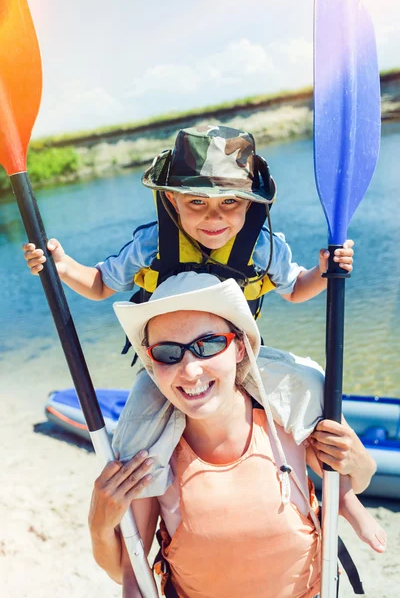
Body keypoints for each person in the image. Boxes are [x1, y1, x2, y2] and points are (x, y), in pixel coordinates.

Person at [21, 125, 356, 478]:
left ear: (252, 202)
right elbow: (101, 284)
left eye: (230, 201)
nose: (214, 217)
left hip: (239, 359)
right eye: (197, 202)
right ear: (171, 200)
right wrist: (62, 265)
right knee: (136, 422)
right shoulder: (153, 243)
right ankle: (137, 509)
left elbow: (296, 290)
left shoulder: (263, 246)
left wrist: (324, 272)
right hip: (170, 366)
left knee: (311, 380)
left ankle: (344, 496)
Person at [88, 272, 386, 598]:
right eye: (168, 353)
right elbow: (126, 572)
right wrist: (99, 524)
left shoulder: (284, 419)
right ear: (151, 362)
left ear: (240, 348)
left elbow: (355, 481)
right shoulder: (153, 449)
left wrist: (358, 459)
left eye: (209, 345)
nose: (190, 371)